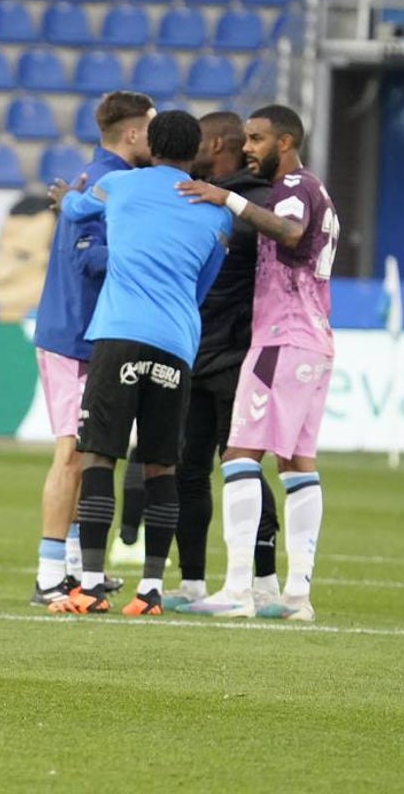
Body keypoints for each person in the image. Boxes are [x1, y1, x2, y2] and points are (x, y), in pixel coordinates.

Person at [46, 110, 231, 616]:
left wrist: (64, 200)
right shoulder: (215, 211)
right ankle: (150, 590)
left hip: (119, 334)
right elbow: (204, 281)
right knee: (161, 465)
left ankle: (88, 585)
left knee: (100, 456)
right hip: (176, 340)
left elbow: (78, 210)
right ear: (194, 153)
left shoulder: (122, 187)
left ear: (150, 145)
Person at [176, 105, 338, 622]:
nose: (247, 147)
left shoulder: (291, 185)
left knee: (239, 455)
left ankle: (239, 590)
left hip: (282, 338)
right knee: (295, 463)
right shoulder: (319, 189)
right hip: (315, 341)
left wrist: (227, 197)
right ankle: (295, 597)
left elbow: (289, 233)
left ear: (285, 141)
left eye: (257, 138)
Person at [29, 90, 154, 609]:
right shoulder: (107, 182)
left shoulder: (98, 178)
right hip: (74, 336)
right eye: (150, 127)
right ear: (130, 133)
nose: (155, 135)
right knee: (73, 453)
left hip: (85, 334)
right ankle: (48, 574)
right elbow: (88, 259)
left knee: (93, 451)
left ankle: (78, 567)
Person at [163, 112, 280, 610]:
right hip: (198, 350)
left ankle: (265, 580)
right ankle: (193, 582)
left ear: (215, 144)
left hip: (240, 353)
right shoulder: (207, 194)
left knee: (243, 466)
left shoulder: (253, 201)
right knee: (189, 469)